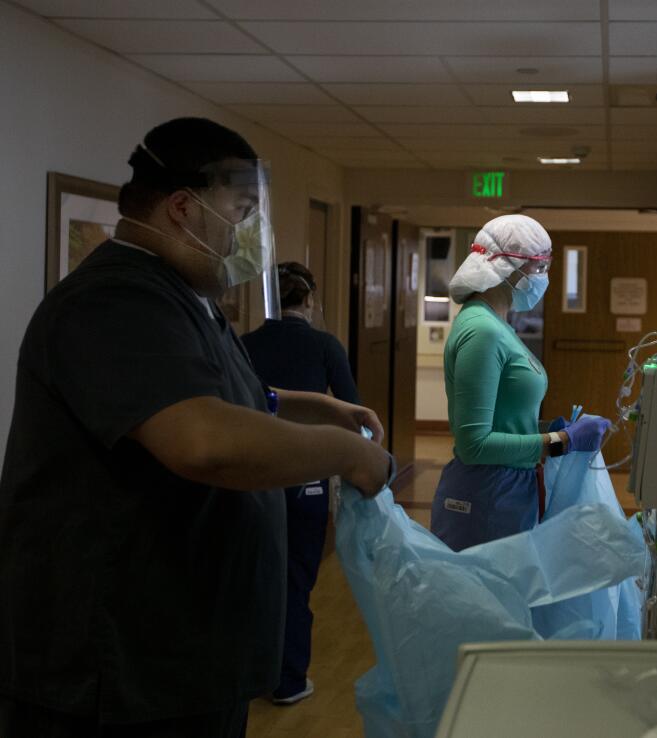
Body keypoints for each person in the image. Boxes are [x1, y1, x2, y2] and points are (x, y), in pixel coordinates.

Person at [0, 118, 393, 738]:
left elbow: (221, 393)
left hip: (188, 664)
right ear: (183, 207)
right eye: (242, 210)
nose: (257, 234)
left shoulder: (185, 298)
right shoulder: (115, 302)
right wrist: (346, 453)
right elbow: (203, 441)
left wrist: (311, 406)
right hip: (120, 679)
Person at [431, 214, 611, 551]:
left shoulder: (498, 326)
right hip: (485, 496)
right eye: (539, 268)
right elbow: (474, 443)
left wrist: (542, 426)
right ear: (509, 269)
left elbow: (501, 415)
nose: (544, 278)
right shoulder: (481, 331)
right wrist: (560, 441)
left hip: (507, 489)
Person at [241, 262, 359, 706]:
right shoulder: (324, 346)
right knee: (295, 581)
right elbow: (353, 411)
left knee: (252, 577)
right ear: (309, 300)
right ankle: (289, 680)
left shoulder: (243, 344)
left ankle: (249, 676)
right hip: (304, 478)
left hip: (250, 473)